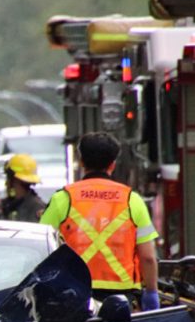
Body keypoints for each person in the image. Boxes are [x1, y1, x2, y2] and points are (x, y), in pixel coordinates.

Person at [40, 132, 160, 309]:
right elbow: (148, 257)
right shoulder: (131, 200)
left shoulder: (63, 199)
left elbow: (42, 248)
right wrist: (151, 293)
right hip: (121, 298)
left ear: (81, 162)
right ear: (112, 164)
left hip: (71, 294)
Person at [0, 154, 47, 223]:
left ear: (15, 180)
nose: (6, 183)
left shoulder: (36, 208)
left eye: (8, 177)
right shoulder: (7, 204)